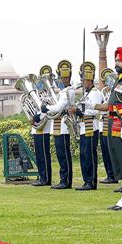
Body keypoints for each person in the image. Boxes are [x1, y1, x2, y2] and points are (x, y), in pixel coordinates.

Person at [91, 47, 122, 210]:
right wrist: (93, 106)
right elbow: (111, 106)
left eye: (119, 61)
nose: (116, 63)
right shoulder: (119, 81)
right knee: (119, 162)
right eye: (116, 60)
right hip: (113, 125)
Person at [41, 61, 75, 189]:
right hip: (57, 123)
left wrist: (47, 108)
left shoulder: (67, 91)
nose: (60, 80)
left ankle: (65, 181)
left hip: (64, 123)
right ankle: (63, 179)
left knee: (64, 154)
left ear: (66, 78)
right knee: (60, 153)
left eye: (62, 77)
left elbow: (60, 106)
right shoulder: (62, 91)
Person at [68, 62, 101, 191]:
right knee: (83, 154)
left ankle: (91, 181)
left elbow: (95, 110)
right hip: (83, 126)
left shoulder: (95, 93)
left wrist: (80, 111)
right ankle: (86, 180)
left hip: (90, 126)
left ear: (89, 80)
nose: (82, 82)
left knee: (89, 155)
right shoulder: (86, 94)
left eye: (83, 80)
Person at [30, 66, 53, 187]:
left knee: (44, 154)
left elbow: (46, 110)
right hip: (37, 129)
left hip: (44, 127)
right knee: (39, 155)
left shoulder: (49, 95)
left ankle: (46, 178)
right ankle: (41, 176)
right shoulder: (37, 94)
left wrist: (35, 118)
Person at [98, 68, 117, 184]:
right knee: (105, 150)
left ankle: (114, 174)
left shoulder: (115, 92)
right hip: (103, 123)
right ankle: (109, 174)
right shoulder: (103, 92)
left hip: (111, 121)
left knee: (112, 150)